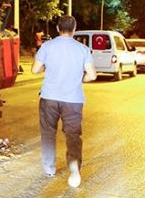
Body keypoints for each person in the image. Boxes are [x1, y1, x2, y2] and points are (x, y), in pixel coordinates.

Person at [31, 15, 96, 188]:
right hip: (73, 100)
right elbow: (92, 75)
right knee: (73, 135)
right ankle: (74, 166)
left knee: (48, 132)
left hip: (49, 98)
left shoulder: (47, 46)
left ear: (58, 28)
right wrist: (80, 79)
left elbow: (35, 70)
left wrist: (46, 67)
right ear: (74, 29)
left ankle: (49, 168)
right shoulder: (83, 49)